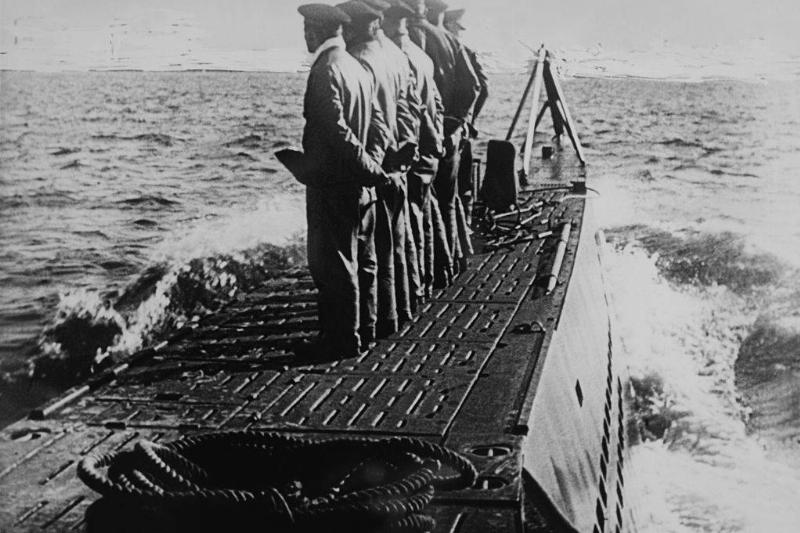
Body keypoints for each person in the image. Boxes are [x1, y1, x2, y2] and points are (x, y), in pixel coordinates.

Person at [295, 3, 397, 359]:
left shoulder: (325, 70)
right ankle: (365, 330)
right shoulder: (356, 65)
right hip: (361, 186)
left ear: (314, 30)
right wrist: (373, 166)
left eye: (306, 29)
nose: (304, 36)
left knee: (333, 264)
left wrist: (368, 169)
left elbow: (335, 132)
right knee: (365, 262)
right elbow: (382, 125)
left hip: (335, 186)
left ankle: (340, 340)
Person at [337, 0, 419, 335]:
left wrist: (372, 164)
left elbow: (370, 122)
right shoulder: (398, 56)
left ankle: (377, 323)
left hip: (374, 164)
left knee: (373, 253)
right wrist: (403, 151)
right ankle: (404, 308)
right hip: (396, 159)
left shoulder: (357, 60)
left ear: (356, 26)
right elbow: (408, 107)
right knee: (396, 244)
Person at [406, 0, 479, 277]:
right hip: (450, 133)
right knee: (448, 200)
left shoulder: (413, 40)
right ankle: (454, 261)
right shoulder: (449, 39)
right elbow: (472, 86)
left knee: (425, 206)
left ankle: (433, 273)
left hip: (427, 136)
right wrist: (456, 123)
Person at [382, 0, 446, 297]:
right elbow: (435, 104)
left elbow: (409, 110)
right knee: (424, 212)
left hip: (413, 149)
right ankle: (432, 275)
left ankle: (417, 287)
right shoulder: (421, 56)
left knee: (411, 221)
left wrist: (405, 153)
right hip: (428, 145)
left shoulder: (397, 58)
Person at [444, 7, 489, 232]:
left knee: (458, 182)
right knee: (462, 183)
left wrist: (464, 119)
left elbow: (480, 88)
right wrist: (469, 120)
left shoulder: (460, 51)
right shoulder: (463, 51)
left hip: (453, 126)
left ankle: (464, 226)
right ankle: (466, 227)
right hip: (461, 125)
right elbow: (483, 88)